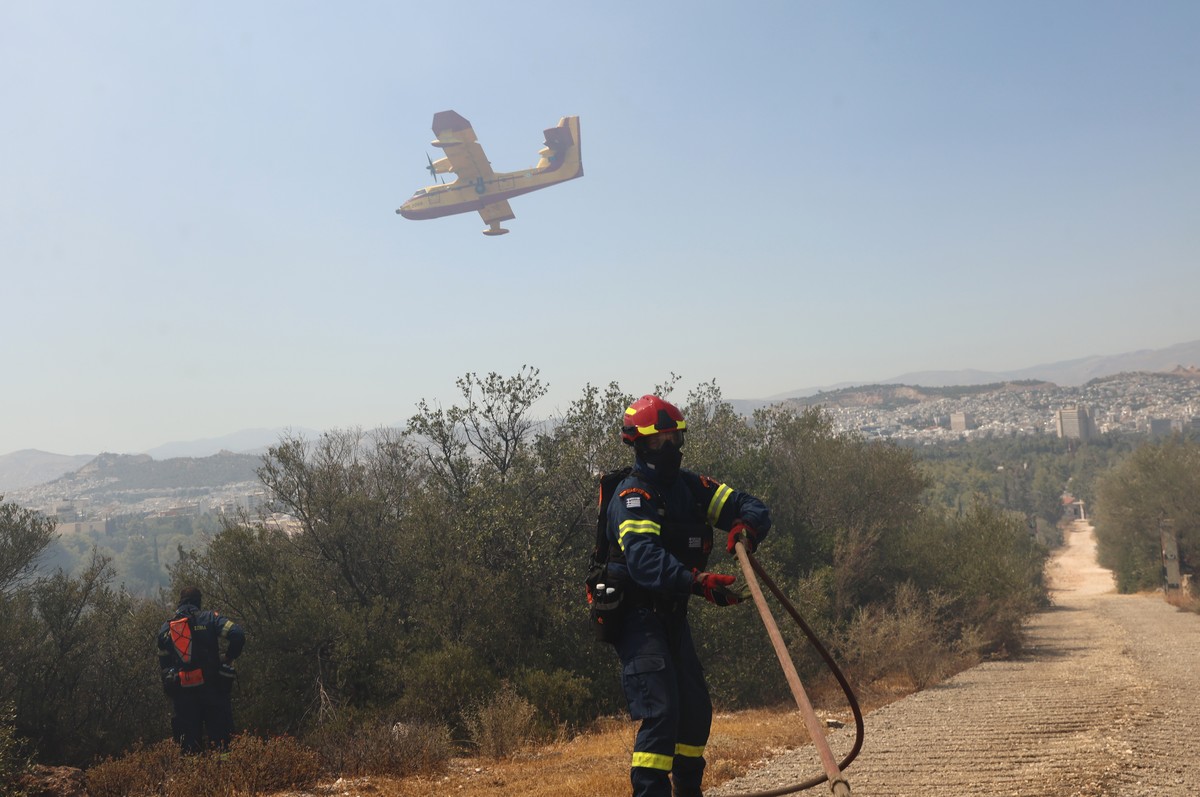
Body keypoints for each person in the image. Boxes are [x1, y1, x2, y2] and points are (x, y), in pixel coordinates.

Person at [605, 394, 772, 797]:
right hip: (636, 618)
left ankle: (688, 791)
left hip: (672, 616)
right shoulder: (633, 498)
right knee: (661, 712)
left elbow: (750, 505)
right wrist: (699, 583)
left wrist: (745, 527)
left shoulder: (690, 488)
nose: (671, 449)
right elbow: (645, 562)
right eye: (660, 441)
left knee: (695, 711)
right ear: (639, 445)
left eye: (675, 439)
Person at [156, 585, 245, 754]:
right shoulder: (210, 619)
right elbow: (237, 634)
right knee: (222, 747)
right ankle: (225, 774)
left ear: (180, 602)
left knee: (189, 750)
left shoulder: (167, 628)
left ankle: (194, 777)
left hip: (184, 696)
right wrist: (228, 657)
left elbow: (164, 666)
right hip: (213, 689)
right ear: (199, 602)